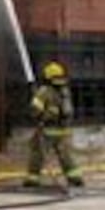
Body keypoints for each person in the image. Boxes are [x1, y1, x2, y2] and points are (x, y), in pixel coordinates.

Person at [23, 61, 85, 194]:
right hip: (65, 130)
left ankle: (32, 179)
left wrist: (38, 110)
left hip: (47, 130)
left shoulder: (44, 91)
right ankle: (74, 178)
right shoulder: (65, 91)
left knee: (37, 153)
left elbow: (35, 110)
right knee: (66, 156)